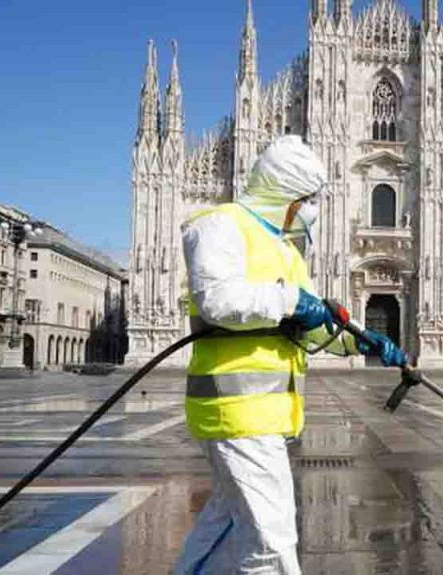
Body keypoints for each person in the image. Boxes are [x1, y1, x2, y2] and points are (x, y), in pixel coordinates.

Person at [173, 136, 406, 575]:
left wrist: (358, 340)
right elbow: (217, 300)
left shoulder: (285, 251)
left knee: (225, 523)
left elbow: (310, 326)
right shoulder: (221, 224)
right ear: (284, 193)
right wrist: (290, 301)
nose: (313, 209)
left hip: (266, 414)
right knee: (271, 538)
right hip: (234, 409)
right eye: (309, 199)